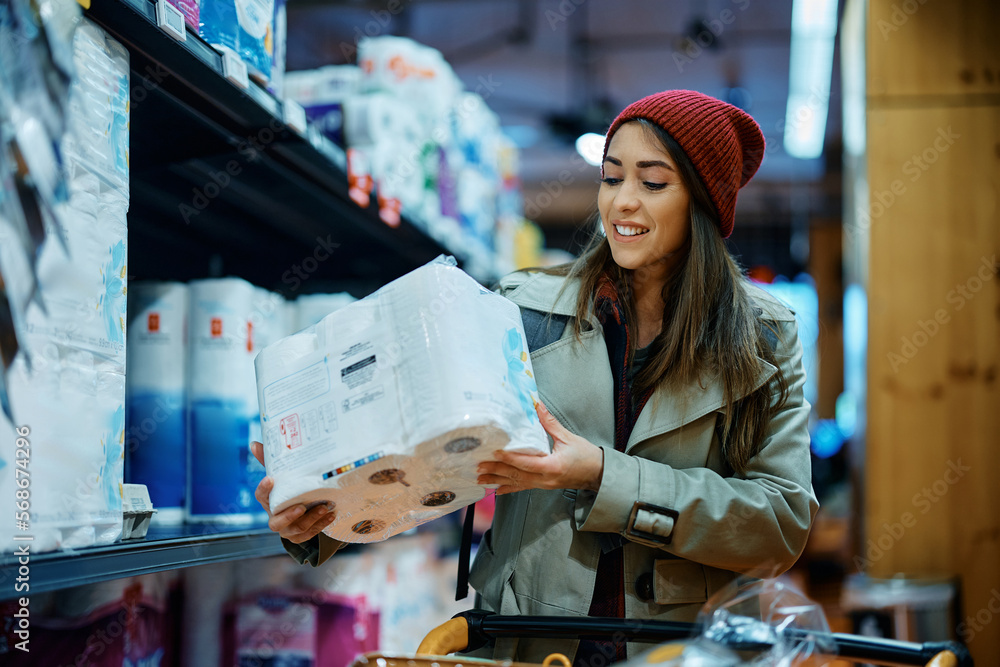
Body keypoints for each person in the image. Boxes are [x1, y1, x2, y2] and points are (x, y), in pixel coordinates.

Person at [250, 89, 818, 665]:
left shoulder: (761, 338)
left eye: (652, 183)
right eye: (611, 176)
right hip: (527, 642)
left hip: (677, 651)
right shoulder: (523, 308)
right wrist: (322, 512)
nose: (621, 202)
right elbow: (433, 445)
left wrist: (601, 475)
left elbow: (779, 522)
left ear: (702, 201)